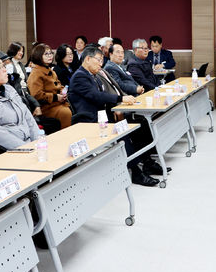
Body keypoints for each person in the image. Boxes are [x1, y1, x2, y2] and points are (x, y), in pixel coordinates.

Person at [68, 47, 161, 187]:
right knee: (122, 133)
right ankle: (136, 172)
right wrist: (120, 99)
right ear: (88, 59)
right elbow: (97, 96)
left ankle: (146, 162)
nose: (101, 64)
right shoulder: (80, 76)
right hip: (89, 120)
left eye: (101, 61)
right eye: (98, 60)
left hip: (102, 116)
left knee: (137, 125)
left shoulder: (91, 75)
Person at [28, 44, 72, 129]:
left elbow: (59, 85)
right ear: (38, 56)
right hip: (46, 107)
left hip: (58, 103)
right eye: (46, 54)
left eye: (50, 53)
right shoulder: (36, 73)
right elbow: (36, 95)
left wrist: (63, 92)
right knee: (65, 113)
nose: (50, 56)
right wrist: (55, 97)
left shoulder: (51, 71)